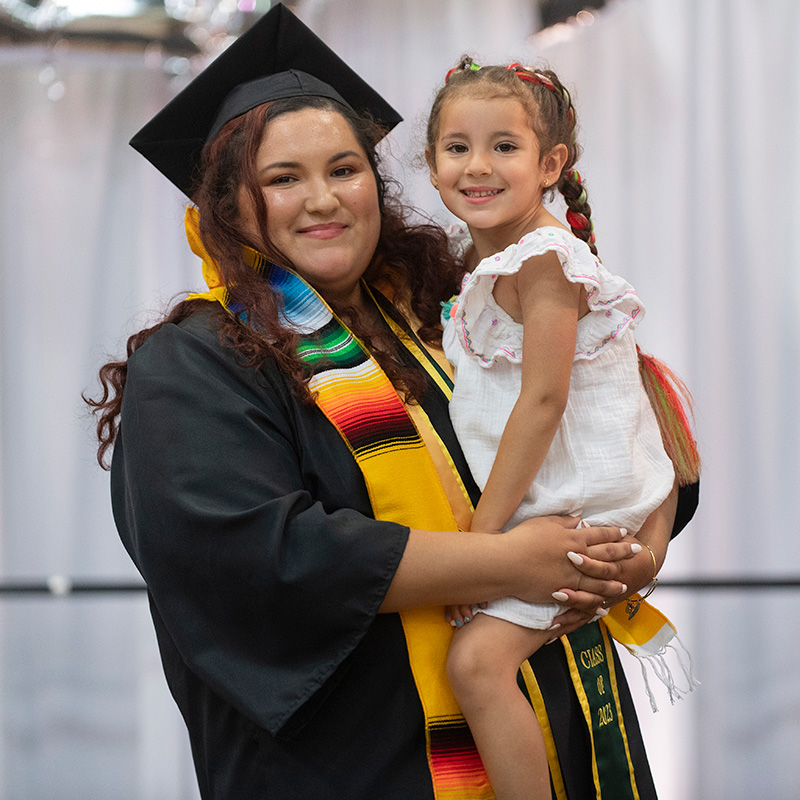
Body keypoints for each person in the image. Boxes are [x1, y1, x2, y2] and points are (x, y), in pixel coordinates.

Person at [86, 6, 698, 799]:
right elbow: (261, 557)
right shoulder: (196, 365)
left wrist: (635, 554)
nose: (323, 200)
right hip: (371, 760)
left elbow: (618, 424)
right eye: (282, 178)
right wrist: (509, 560)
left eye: (344, 170)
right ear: (231, 207)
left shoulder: (457, 312)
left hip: (562, 733)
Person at [424, 59, 700, 799]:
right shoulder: (497, 263)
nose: (477, 166)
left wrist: (480, 549)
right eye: (457, 147)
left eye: (504, 147)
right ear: (430, 164)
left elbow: (543, 402)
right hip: (570, 500)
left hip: (578, 509)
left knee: (478, 666)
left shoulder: (546, 261)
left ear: (551, 165)